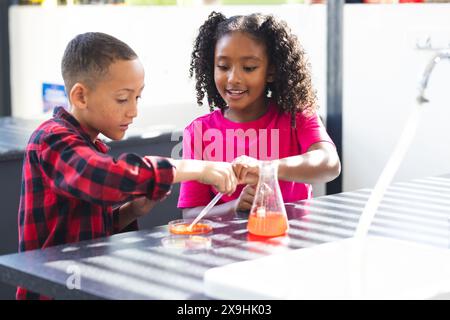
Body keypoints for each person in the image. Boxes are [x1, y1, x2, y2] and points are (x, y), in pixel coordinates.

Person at [17, 32, 240, 300]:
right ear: (80, 96)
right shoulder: (52, 140)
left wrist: (131, 210)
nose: (133, 111)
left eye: (138, 98)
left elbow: (84, 232)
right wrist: (197, 169)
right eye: (123, 99)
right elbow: (104, 177)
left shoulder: (90, 145)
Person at [178, 12, 341, 220]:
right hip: (227, 249)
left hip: (293, 244)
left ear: (271, 70)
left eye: (249, 68)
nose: (233, 78)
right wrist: (235, 207)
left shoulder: (296, 115)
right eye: (223, 66)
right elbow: (190, 216)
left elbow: (329, 163)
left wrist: (266, 169)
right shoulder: (199, 132)